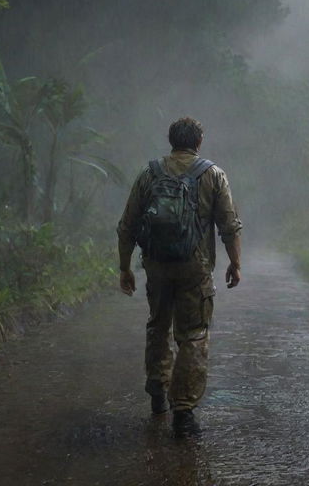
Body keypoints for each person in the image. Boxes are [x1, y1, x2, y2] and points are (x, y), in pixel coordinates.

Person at [116, 117, 243, 434]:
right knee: (193, 333)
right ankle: (183, 411)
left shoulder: (149, 173)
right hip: (194, 267)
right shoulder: (213, 174)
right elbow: (229, 225)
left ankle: (158, 389)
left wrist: (124, 267)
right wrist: (235, 263)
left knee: (158, 324)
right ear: (198, 142)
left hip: (157, 265)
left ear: (171, 141)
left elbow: (127, 225)